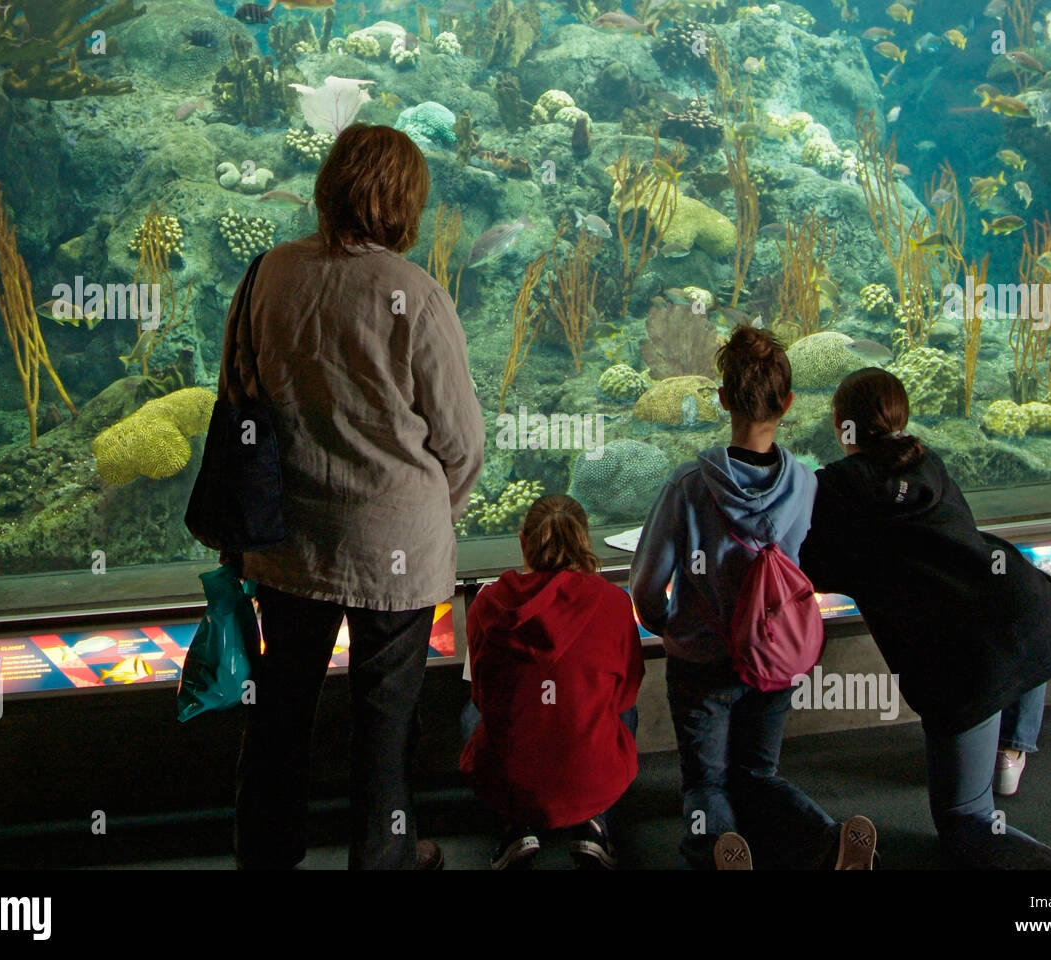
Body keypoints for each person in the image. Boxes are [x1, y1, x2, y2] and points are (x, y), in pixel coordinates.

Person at [229, 124, 486, 870]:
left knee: (282, 707)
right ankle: (385, 856)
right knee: (385, 720)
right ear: (405, 201)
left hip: (289, 540)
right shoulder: (415, 293)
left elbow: (239, 397)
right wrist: (437, 512)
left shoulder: (268, 273)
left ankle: (265, 854)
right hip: (396, 550)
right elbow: (461, 442)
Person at [798, 368, 1051, 869]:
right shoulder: (928, 461)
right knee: (1012, 650)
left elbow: (812, 566)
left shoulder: (835, 491)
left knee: (964, 822)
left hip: (971, 664)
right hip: (1039, 616)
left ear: (841, 425)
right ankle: (1009, 751)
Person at [631, 326, 877, 871]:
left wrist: (667, 624)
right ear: (789, 404)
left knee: (706, 780)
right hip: (776, 656)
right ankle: (826, 840)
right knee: (759, 774)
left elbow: (646, 584)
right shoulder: (807, 483)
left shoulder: (689, 485)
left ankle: (716, 852)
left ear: (721, 399)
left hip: (702, 662)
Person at [461, 495, 645, 869]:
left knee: (469, 713)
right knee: (625, 712)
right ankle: (595, 824)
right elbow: (626, 691)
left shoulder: (488, 603)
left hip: (509, 778)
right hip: (594, 778)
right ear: (585, 540)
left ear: (522, 540)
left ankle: (515, 825)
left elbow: (481, 697)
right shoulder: (612, 601)